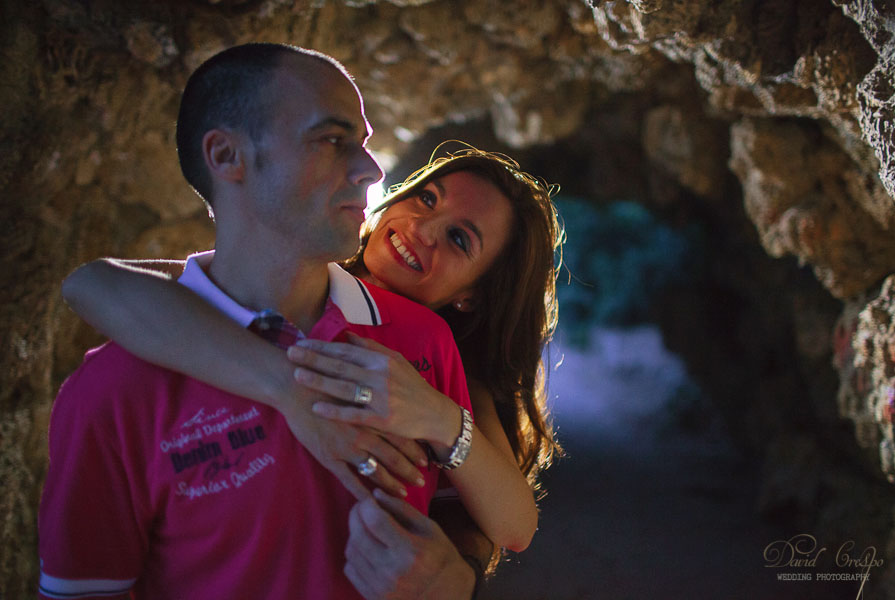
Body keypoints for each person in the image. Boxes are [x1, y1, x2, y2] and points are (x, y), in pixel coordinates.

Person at [37, 43, 528, 600]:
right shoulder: (114, 388)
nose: (371, 169)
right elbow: (91, 282)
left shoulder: (426, 345)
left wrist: (457, 580)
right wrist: (289, 390)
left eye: (364, 145)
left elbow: (487, 526)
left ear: (471, 296)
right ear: (226, 157)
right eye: (333, 140)